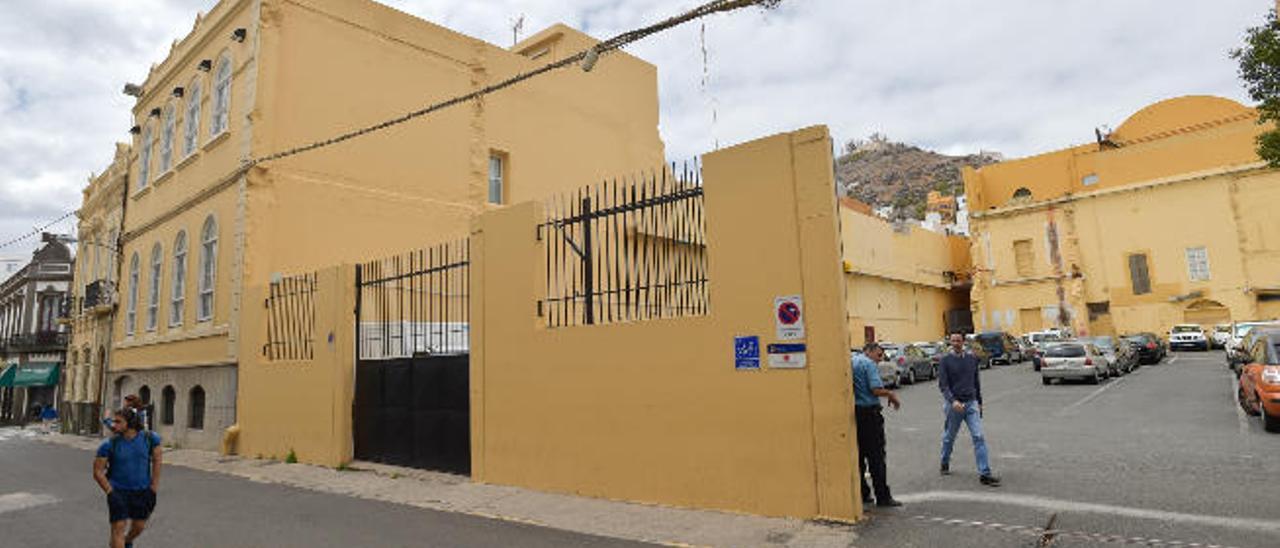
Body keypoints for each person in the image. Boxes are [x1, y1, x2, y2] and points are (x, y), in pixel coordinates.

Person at [93, 407, 162, 548]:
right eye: (113, 421)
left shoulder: (150, 438)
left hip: (142, 491)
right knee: (118, 528)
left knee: (139, 526)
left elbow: (157, 460)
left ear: (130, 422)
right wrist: (110, 492)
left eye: (118, 422)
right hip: (118, 492)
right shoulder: (108, 445)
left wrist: (154, 488)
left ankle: (127, 541)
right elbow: (98, 472)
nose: (113, 425)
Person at [938, 332, 1000, 486]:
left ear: (963, 342)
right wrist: (952, 401)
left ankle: (984, 473)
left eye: (958, 341)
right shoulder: (945, 361)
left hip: (971, 403)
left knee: (978, 436)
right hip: (955, 405)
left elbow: (976, 382)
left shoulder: (972, 359)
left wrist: (979, 401)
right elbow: (943, 385)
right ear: (950, 342)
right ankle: (944, 461)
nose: (956, 343)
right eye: (953, 341)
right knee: (949, 437)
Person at [851, 342, 903, 507]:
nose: (880, 360)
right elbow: (875, 389)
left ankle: (863, 493)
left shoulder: (852, 361)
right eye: (879, 355)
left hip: (856, 414)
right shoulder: (869, 364)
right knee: (877, 458)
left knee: (859, 457)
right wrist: (890, 394)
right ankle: (883, 496)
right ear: (869, 352)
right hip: (870, 415)